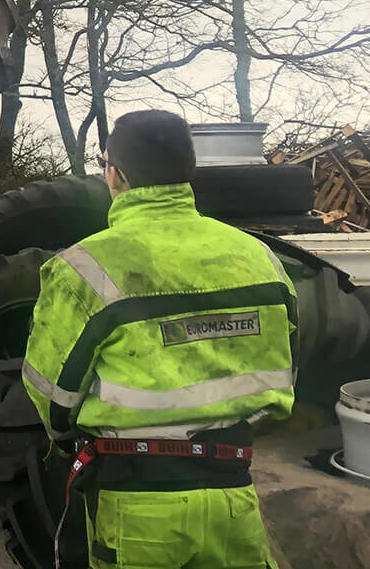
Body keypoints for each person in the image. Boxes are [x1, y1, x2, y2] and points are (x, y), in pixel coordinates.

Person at [22, 109, 296, 568]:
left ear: (115, 173)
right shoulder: (259, 257)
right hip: (234, 498)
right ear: (188, 169)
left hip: (138, 506)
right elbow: (284, 363)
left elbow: (53, 398)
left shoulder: (84, 268)